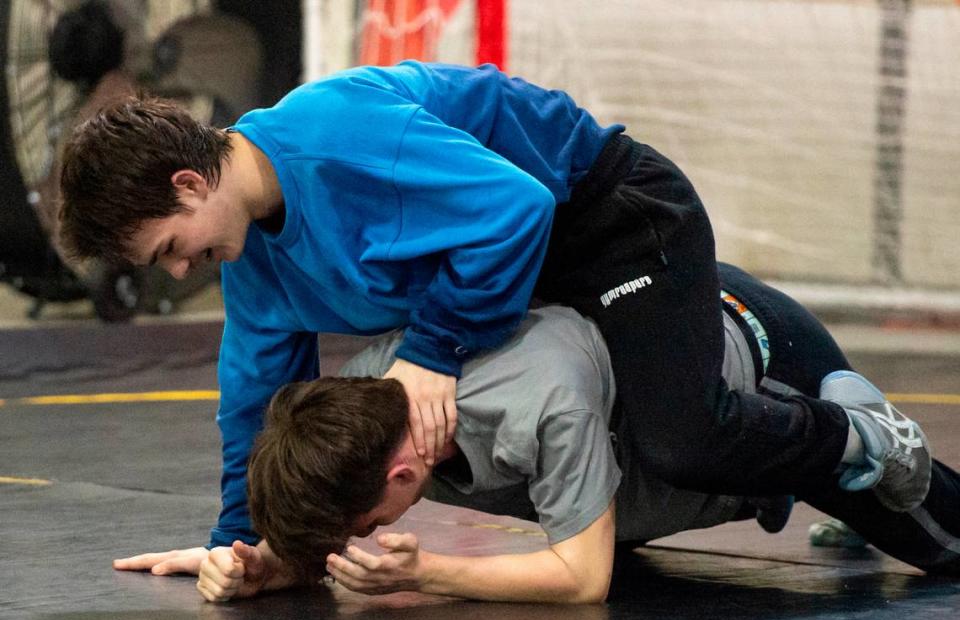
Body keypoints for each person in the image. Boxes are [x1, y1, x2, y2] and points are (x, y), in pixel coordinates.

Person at [59, 61, 929, 555]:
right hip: (525, 278)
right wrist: (239, 540)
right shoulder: (251, 259)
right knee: (624, 483)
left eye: (170, 247)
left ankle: (854, 439)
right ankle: (816, 467)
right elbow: (256, 399)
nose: (181, 270)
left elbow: (514, 208)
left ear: (189, 181)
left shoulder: (335, 132)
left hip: (609, 221)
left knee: (682, 436)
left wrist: (432, 351)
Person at [115, 264, 959, 602]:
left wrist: (431, 570)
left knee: (941, 540)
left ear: (406, 469)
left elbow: (583, 579)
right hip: (649, 426)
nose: (370, 541)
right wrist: (261, 557)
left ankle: (858, 435)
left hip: (764, 362)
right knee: (619, 497)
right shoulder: (372, 391)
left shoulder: (535, 400)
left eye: (371, 525)